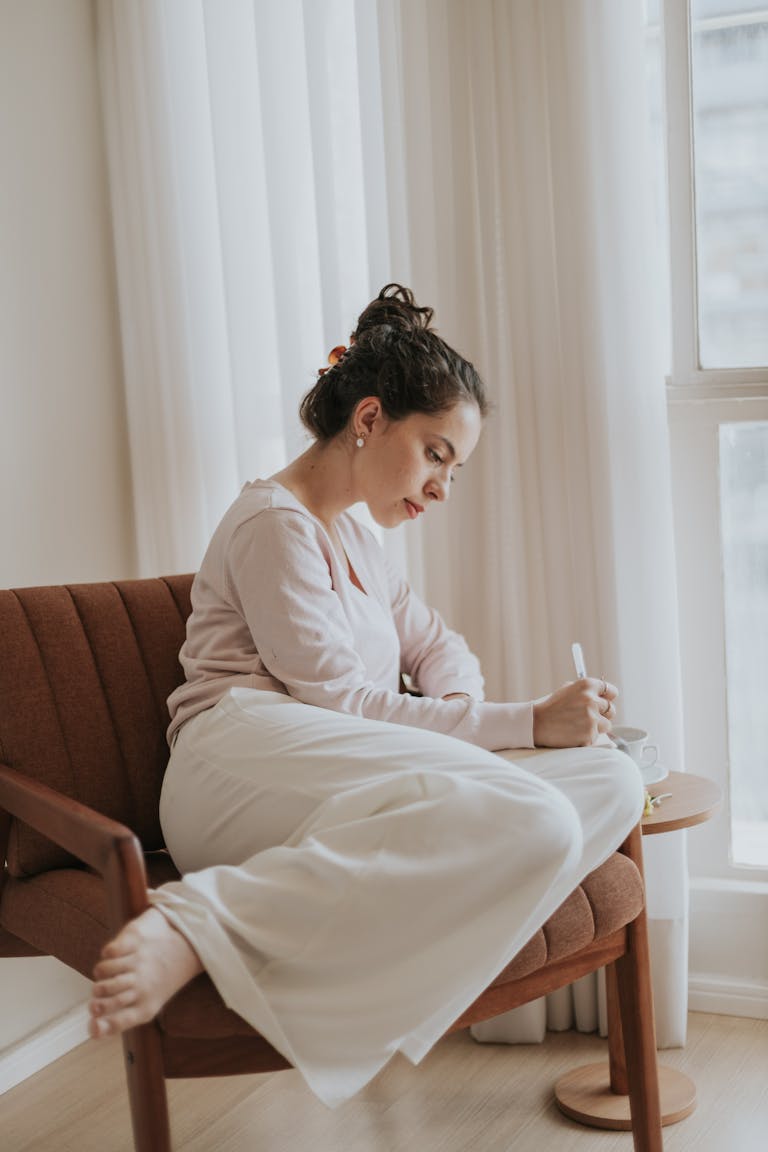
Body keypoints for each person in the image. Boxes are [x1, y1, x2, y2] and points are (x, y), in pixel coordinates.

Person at [88, 284, 643, 1107]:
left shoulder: (355, 530)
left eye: (453, 467)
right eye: (436, 455)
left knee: (614, 782)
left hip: (329, 774)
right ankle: (200, 919)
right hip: (238, 760)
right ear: (372, 418)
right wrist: (525, 723)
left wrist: (495, 727)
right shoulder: (272, 525)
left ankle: (380, 961)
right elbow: (340, 703)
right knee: (541, 816)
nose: (442, 488)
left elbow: (435, 644)